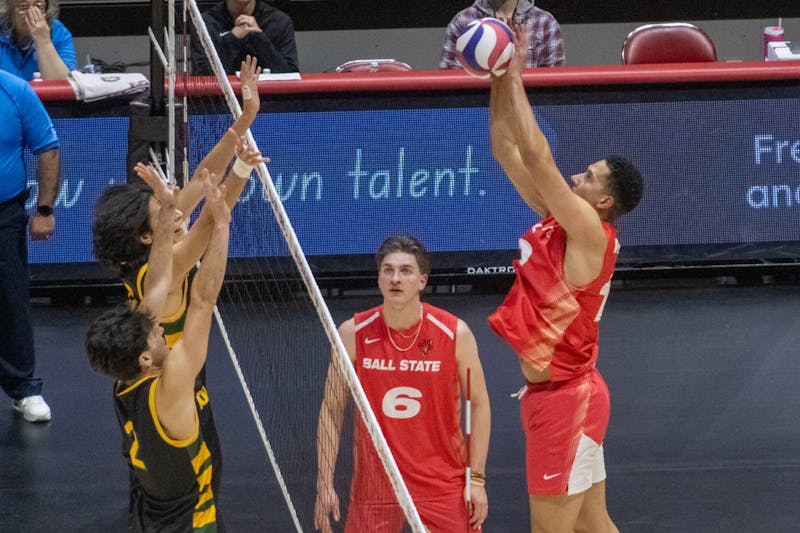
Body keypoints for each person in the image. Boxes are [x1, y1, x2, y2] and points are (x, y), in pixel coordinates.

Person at [488, 24, 643, 533]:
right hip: (563, 394)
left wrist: (515, 76)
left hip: (568, 400)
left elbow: (538, 155)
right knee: (594, 525)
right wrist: (495, 78)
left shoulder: (590, 231)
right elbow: (507, 152)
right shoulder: (561, 219)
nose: (578, 175)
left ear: (603, 202)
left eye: (590, 176)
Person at [86, 168, 232, 532]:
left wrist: (168, 214)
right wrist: (222, 226)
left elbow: (162, 280)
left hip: (152, 510)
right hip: (191, 522)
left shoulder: (126, 381)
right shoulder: (173, 386)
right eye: (155, 334)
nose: (160, 330)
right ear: (145, 358)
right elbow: (202, 299)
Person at [314, 235, 491, 533]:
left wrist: (476, 479)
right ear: (379, 278)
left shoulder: (454, 334)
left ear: (422, 281)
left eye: (406, 271)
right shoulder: (352, 333)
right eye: (388, 270)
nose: (396, 278)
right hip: (375, 484)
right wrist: (324, 484)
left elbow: (478, 404)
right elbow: (332, 411)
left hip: (440, 481)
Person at [92, 55, 265, 346]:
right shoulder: (165, 269)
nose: (175, 212)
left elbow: (201, 177)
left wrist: (247, 115)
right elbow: (210, 222)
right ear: (146, 237)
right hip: (168, 378)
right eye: (163, 211)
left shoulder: (156, 240)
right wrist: (243, 169)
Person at [0, 69, 58, 422]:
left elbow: (47, 149)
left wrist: (45, 210)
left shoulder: (16, 90)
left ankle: (24, 389)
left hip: (4, 213)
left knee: (11, 299)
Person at [439, 0, 564, 70]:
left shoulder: (545, 23)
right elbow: (448, 83)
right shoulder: (462, 22)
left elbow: (552, 90)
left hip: (528, 112)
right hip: (475, 112)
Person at [190, 0, 298, 75]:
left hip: (269, 102)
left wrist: (259, 38)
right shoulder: (204, 23)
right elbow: (202, 76)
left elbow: (290, 74)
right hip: (220, 103)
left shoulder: (280, 22)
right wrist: (232, 39)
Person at [0, 0, 76, 80]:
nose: (31, 14)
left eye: (39, 6)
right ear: (9, 9)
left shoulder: (59, 32)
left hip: (44, 92)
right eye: (23, 6)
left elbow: (65, 84)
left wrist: (44, 42)